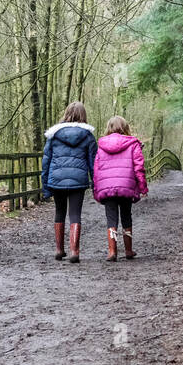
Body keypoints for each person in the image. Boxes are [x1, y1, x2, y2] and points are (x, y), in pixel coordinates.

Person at [41, 102, 97, 263]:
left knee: (59, 212)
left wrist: (45, 184)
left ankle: (59, 249)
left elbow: (46, 161)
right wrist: (95, 184)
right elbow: (93, 162)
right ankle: (74, 251)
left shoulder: (53, 134)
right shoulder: (87, 136)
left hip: (56, 178)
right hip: (78, 180)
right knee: (75, 214)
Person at [92, 116, 147, 261]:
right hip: (126, 187)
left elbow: (96, 170)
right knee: (126, 216)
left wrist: (96, 189)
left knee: (111, 219)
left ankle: (112, 251)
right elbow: (139, 167)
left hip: (107, 188)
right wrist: (142, 187)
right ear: (125, 127)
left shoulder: (101, 145)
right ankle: (128, 250)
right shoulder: (133, 143)